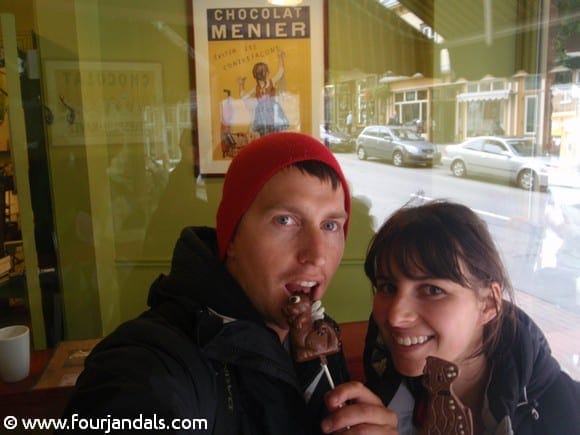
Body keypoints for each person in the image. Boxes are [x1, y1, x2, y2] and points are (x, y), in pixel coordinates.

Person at [60, 132, 352, 434]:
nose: (316, 255)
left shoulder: (320, 340)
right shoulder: (151, 361)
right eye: (285, 220)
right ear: (233, 238)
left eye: (330, 225)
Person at [322, 200, 580, 434]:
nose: (395, 317)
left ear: (488, 304)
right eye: (388, 287)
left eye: (433, 290)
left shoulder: (565, 415)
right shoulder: (382, 380)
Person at [239, 48, 289, 137]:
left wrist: (241, 85)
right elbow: (280, 72)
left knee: (272, 132)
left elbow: (243, 96)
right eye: (267, 71)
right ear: (266, 73)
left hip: (269, 113)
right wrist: (280, 57)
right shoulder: (264, 85)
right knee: (266, 133)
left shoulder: (268, 83)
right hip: (266, 113)